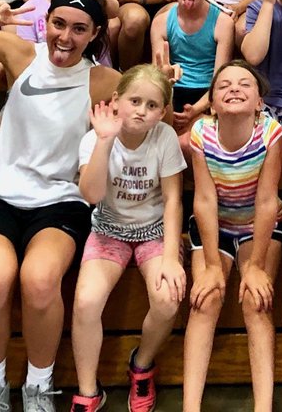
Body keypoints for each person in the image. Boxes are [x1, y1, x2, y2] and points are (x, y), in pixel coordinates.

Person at [0, 0, 120, 412]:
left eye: (78, 29)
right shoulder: (22, 54)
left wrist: (167, 85)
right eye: (58, 24)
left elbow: (152, 103)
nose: (65, 37)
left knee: (39, 282)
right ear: (46, 23)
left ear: (93, 34)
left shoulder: (103, 80)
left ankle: (39, 389)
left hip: (59, 201)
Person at [69, 65, 186, 412]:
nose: (141, 111)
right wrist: (104, 141)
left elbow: (173, 200)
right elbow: (91, 195)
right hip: (108, 228)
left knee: (167, 298)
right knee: (87, 301)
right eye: (134, 100)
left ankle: (142, 364)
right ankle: (89, 391)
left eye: (152, 105)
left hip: (154, 231)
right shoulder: (94, 139)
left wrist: (169, 257)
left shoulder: (163, 137)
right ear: (116, 100)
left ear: (162, 112)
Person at [183, 61, 282, 412]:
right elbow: (204, 199)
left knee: (255, 300)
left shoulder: (271, 134)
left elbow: (266, 200)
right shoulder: (201, 133)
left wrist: (256, 264)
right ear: (212, 102)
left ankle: (263, 407)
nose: (234, 88)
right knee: (205, 299)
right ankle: (190, 407)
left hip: (259, 222)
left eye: (245, 83)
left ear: (260, 101)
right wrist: (212, 263)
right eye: (224, 84)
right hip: (216, 221)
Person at [149, 0, 234, 136]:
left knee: (191, 140)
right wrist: (167, 88)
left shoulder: (222, 23)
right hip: (172, 91)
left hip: (208, 93)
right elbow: (160, 74)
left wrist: (195, 110)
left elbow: (220, 78)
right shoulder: (161, 22)